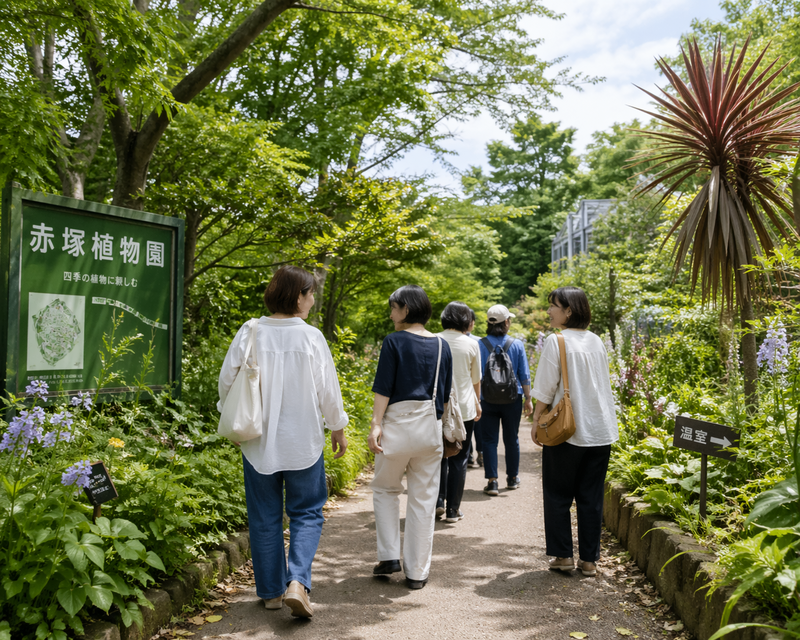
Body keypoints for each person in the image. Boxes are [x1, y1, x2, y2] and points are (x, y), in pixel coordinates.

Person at [218, 266, 349, 617]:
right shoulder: (310, 337)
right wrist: (338, 427)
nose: (313, 298)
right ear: (297, 296)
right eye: (310, 292)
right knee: (306, 513)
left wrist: (234, 421)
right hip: (303, 440)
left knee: (264, 516)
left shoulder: (251, 330)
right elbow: (328, 391)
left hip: (257, 441)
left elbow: (227, 382)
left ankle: (272, 594)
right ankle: (298, 582)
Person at [368, 285, 453, 590]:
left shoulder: (394, 342)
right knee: (424, 500)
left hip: (397, 427)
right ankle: (417, 573)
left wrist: (376, 424)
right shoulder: (443, 345)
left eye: (393, 308)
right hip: (429, 429)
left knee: (385, 489)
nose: (391, 314)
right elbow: (443, 396)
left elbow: (384, 387)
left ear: (406, 308)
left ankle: (389, 555)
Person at [531, 287, 618, 577]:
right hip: (600, 429)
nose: (549, 311)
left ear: (568, 310)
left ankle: (563, 556)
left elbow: (545, 387)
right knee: (591, 497)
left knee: (557, 493)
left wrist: (536, 418)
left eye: (553, 306)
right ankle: (589, 561)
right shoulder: (596, 341)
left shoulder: (557, 342)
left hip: (567, 431)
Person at [478, 304, 532, 495]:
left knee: (489, 440)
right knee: (511, 439)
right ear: (506, 322)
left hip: (487, 398)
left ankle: (492, 481)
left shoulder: (480, 344)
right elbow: (524, 374)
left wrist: (477, 399)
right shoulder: (516, 344)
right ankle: (512, 478)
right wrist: (528, 398)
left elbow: (476, 375)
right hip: (512, 398)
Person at [436, 302, 482, 523]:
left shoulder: (432, 339)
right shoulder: (471, 344)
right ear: (466, 320)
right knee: (459, 457)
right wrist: (478, 403)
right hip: (463, 408)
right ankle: (453, 510)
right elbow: (475, 380)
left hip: (436, 408)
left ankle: (438, 501)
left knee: (437, 455)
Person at [465, 309, 484, 468]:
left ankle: (470, 454)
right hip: (478, 388)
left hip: (463, 390)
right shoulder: (479, 342)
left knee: (465, 423)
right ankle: (480, 453)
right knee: (478, 424)